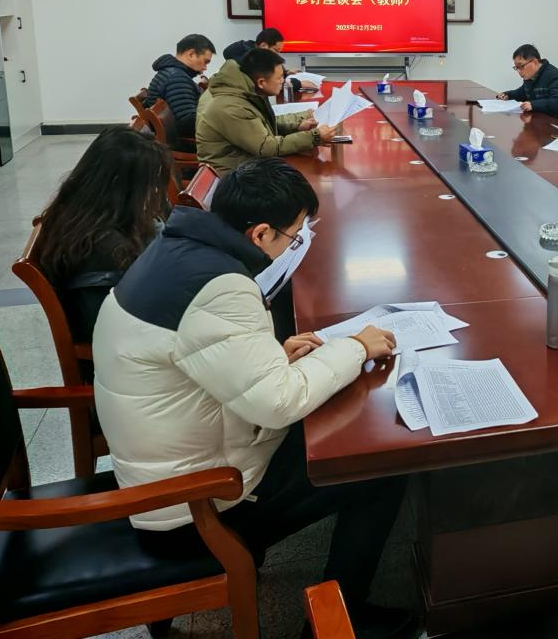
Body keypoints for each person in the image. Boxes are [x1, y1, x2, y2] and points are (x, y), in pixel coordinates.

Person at [92, 158, 416, 638]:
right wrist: (356, 346)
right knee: (377, 468)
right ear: (261, 233)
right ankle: (340, 620)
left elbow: (197, 354)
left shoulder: (176, 251)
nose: (294, 246)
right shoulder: (219, 288)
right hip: (194, 507)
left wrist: (272, 355)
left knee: (336, 423)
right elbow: (279, 403)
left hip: (161, 467)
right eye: (294, 237)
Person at [31, 126, 172, 373]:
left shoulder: (85, 215)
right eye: (150, 185)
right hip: (127, 366)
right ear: (123, 188)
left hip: (132, 343)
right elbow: (111, 332)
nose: (156, 194)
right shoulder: (103, 248)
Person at [196, 47, 338, 176]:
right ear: (261, 82)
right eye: (280, 78)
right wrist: (314, 137)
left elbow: (258, 126)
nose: (283, 81)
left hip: (247, 167)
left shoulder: (243, 91)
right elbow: (266, 147)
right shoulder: (231, 105)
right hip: (232, 178)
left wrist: (297, 126)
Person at [146, 33, 216, 139]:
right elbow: (188, 123)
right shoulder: (176, 78)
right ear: (191, 54)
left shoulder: (173, 73)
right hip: (186, 142)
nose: (205, 67)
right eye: (205, 62)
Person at [495, 44, 558, 120]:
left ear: (535, 62)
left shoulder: (554, 76)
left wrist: (533, 105)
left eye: (521, 66)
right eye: (516, 68)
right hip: (540, 120)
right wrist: (508, 95)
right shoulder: (531, 76)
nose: (519, 71)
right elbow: (523, 92)